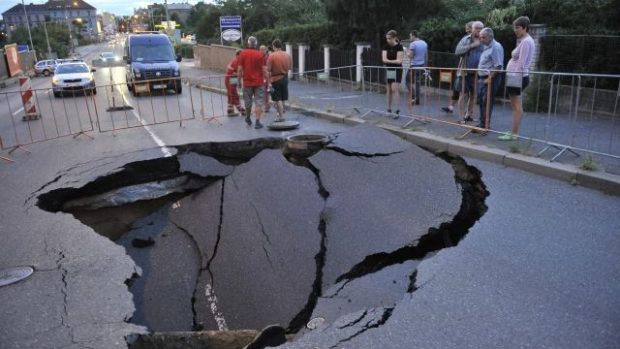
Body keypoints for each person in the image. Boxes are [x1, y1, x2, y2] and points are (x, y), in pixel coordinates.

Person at [499, 16, 536, 141]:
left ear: (525, 28)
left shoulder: (526, 41)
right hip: (517, 77)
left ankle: (514, 133)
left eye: (518, 28)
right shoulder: (527, 41)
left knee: (516, 107)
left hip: (517, 77)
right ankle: (513, 132)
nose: (515, 30)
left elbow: (521, 63)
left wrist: (514, 78)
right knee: (516, 106)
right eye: (514, 27)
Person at [454, 21, 485, 123]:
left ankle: (469, 115)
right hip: (464, 72)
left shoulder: (484, 40)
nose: (479, 30)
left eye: (481, 28)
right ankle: (461, 117)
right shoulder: (466, 39)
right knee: (463, 95)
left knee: (474, 95)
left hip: (477, 73)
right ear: (472, 29)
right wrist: (471, 46)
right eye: (477, 28)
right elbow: (457, 51)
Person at [476, 27, 504, 131]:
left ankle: (485, 125)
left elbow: (498, 66)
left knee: (486, 101)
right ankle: (482, 123)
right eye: (480, 37)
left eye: (483, 37)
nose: (481, 39)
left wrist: (490, 78)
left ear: (490, 37)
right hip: (484, 77)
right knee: (482, 101)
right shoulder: (486, 46)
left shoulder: (495, 47)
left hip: (491, 78)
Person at [442, 21, 472, 114]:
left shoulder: (474, 39)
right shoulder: (466, 39)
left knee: (464, 93)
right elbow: (458, 51)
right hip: (462, 68)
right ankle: (451, 107)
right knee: (457, 89)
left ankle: (465, 114)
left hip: (468, 70)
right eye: (466, 28)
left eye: (467, 27)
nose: (466, 29)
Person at [238, 36, 268, 129]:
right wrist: (267, 80)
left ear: (248, 43)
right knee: (258, 102)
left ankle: (248, 117)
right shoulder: (260, 55)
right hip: (259, 83)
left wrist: (239, 81)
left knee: (248, 101)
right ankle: (257, 122)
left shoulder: (242, 54)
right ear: (256, 44)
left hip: (247, 82)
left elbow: (239, 69)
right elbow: (264, 70)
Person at [266, 39, 292, 122]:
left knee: (277, 99)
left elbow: (268, 69)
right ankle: (281, 112)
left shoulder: (272, 56)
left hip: (275, 79)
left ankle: (281, 117)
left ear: (274, 46)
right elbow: (290, 67)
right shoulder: (288, 55)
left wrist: (269, 82)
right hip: (285, 78)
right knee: (283, 97)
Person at [381, 30, 404, 118]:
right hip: (389, 69)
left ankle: (397, 110)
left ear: (394, 38)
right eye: (387, 38)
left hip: (397, 70)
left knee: (394, 89)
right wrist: (392, 61)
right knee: (389, 90)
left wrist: (389, 61)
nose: (388, 40)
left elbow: (399, 61)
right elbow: (383, 59)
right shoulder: (385, 46)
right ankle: (389, 109)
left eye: (389, 38)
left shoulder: (399, 47)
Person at [407, 30, 428, 106]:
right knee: (417, 82)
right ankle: (417, 99)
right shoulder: (424, 43)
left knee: (407, 81)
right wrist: (425, 66)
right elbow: (426, 56)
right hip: (421, 65)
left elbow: (411, 56)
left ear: (413, 35)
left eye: (410, 36)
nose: (410, 37)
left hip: (414, 66)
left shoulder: (413, 44)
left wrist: (407, 52)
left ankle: (413, 96)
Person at [225, 50, 245, 117]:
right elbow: (237, 72)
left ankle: (230, 110)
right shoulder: (237, 61)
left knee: (230, 95)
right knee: (234, 94)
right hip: (232, 79)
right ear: (238, 55)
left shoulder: (235, 60)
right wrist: (242, 75)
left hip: (230, 78)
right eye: (241, 55)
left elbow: (231, 69)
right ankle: (241, 109)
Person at [260, 45, 272, 113]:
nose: (261, 51)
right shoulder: (262, 56)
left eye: (262, 50)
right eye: (260, 50)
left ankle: (267, 106)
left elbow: (267, 68)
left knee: (266, 92)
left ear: (265, 50)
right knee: (266, 92)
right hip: (265, 77)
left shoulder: (268, 57)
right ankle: (267, 105)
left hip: (267, 77)